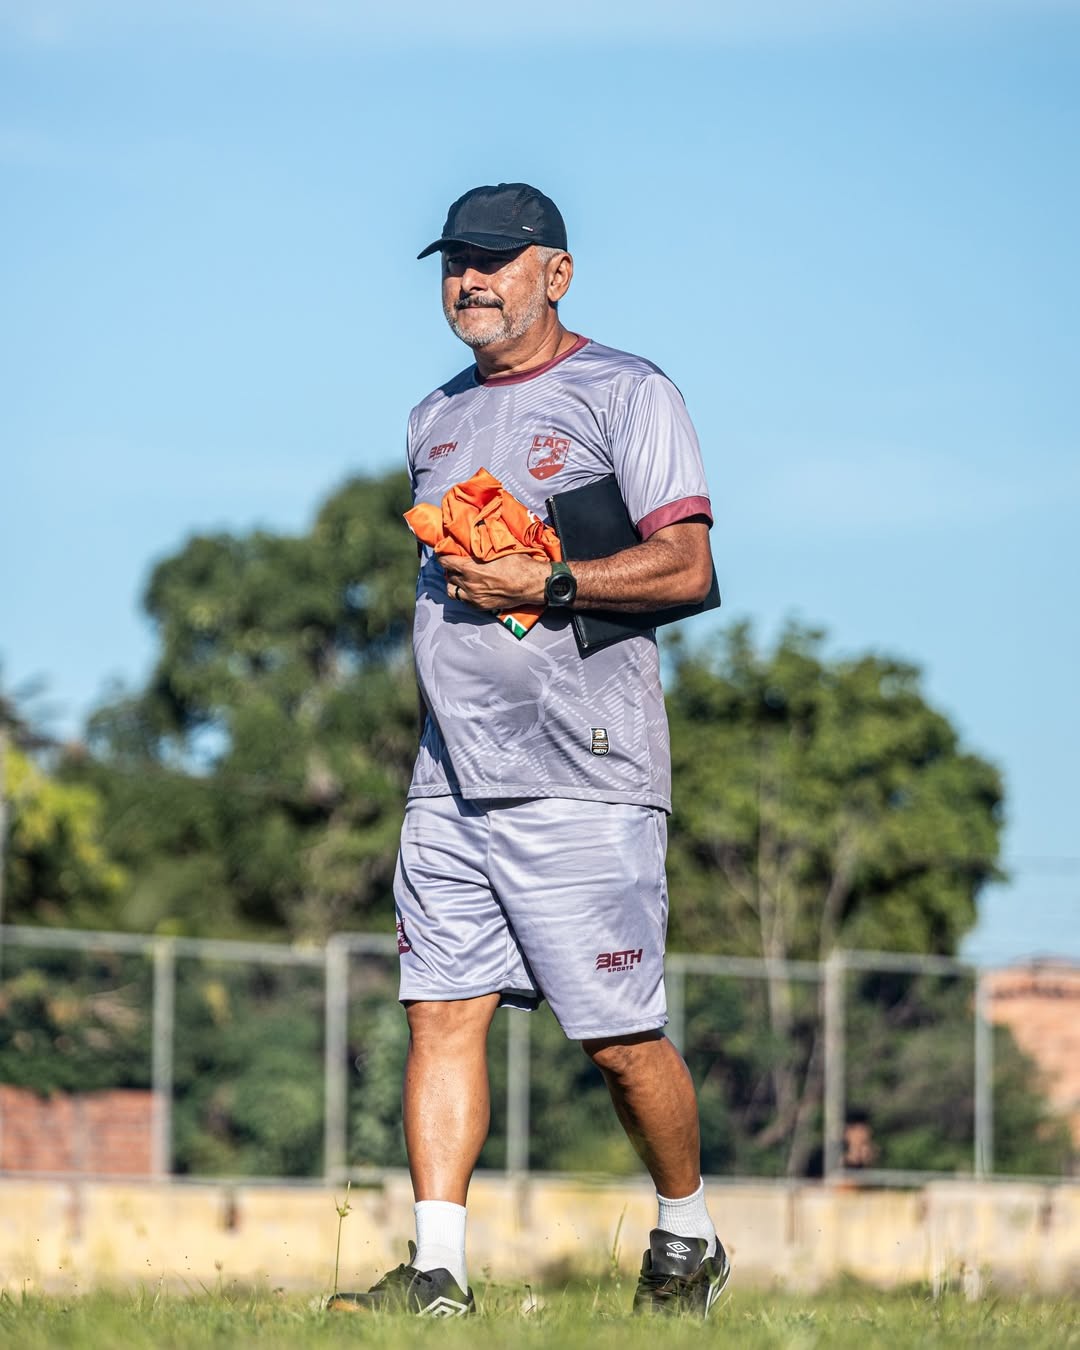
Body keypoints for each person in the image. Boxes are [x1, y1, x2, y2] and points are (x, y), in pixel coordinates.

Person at [331, 182, 729, 1318]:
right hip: (450, 774)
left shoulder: (628, 392)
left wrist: (548, 579)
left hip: (587, 771)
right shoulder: (434, 418)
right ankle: (440, 1271)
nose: (472, 280)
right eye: (457, 260)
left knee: (616, 1039)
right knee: (440, 1012)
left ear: (556, 273)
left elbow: (688, 569)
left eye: (498, 260)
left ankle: (686, 1235)